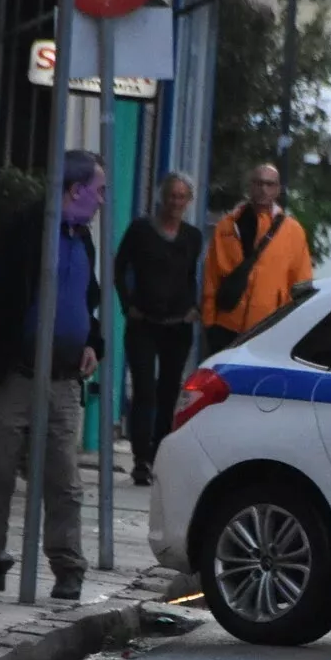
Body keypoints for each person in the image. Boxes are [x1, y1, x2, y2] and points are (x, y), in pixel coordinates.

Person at [0, 151, 106, 601]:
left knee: (63, 481)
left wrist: (93, 342)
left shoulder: (82, 240)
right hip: (10, 374)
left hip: (61, 379)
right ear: (75, 191)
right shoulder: (21, 232)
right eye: (98, 191)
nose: (101, 202)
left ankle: (68, 567)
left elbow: (84, 301)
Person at [116, 172, 204, 485]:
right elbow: (119, 267)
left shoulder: (193, 237)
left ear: (188, 201)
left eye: (181, 197)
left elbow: (191, 275)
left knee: (169, 392)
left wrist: (194, 307)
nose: (175, 203)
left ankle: (159, 455)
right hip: (143, 324)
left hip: (177, 326)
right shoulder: (141, 230)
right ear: (161, 198)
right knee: (144, 390)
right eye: (171, 196)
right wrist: (128, 306)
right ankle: (140, 457)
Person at [200, 163, 314, 357]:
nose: (264, 189)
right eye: (259, 183)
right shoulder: (227, 226)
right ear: (250, 186)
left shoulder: (292, 231)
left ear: (278, 190)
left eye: (270, 184)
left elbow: (301, 284)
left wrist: (293, 327)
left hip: (269, 325)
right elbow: (212, 276)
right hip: (227, 323)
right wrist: (209, 322)